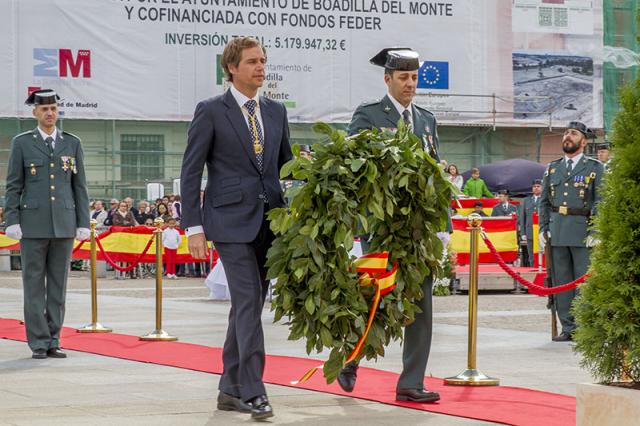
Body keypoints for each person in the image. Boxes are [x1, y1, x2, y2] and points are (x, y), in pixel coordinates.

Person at [180, 36, 292, 420]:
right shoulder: (211, 110)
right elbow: (191, 170)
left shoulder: (276, 112)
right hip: (228, 222)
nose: (261, 67)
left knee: (251, 304)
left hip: (269, 222)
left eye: (263, 60)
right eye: (252, 62)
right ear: (231, 67)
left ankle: (229, 389)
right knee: (247, 301)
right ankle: (254, 390)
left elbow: (286, 169)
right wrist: (193, 226)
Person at [344, 47, 441, 403]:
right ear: (388, 79)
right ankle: (348, 359)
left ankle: (411, 381)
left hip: (419, 231)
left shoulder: (427, 120)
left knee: (421, 305)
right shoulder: (369, 115)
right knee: (374, 298)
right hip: (381, 226)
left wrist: (439, 224)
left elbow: (435, 175)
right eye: (403, 78)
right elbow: (352, 165)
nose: (410, 84)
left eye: (414, 78)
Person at [4, 89, 90, 359]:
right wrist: (13, 220)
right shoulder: (22, 143)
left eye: (53, 108)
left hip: (64, 224)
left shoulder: (71, 142)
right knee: (33, 286)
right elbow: (13, 186)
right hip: (32, 224)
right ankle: (38, 342)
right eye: (44, 109)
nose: (50, 113)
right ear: (35, 113)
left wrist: (83, 222)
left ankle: (54, 339)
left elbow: (80, 186)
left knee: (57, 286)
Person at [540, 121, 603, 342]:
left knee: (582, 282)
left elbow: (600, 201)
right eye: (566, 133)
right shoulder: (553, 168)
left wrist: (596, 230)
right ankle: (568, 326)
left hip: (582, 233)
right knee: (561, 281)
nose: (568, 136)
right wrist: (543, 228)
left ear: (583, 141)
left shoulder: (594, 168)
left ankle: (584, 325)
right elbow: (545, 202)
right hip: (557, 233)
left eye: (573, 133)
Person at [519, 180, 542, 266]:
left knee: (542, 254)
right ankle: (533, 271)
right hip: (530, 231)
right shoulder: (526, 200)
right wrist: (523, 233)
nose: (536, 188)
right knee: (531, 255)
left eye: (538, 186)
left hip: (541, 231)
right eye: (534, 186)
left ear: (542, 188)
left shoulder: (545, 200)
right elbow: (522, 217)